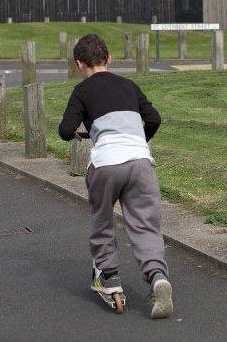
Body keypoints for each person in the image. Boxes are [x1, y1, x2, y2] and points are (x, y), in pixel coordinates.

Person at [58, 33, 173, 319]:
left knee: (102, 220)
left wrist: (82, 131)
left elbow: (64, 129)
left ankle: (109, 277)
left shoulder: (81, 91)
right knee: (145, 225)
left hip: (107, 163)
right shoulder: (129, 86)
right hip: (140, 161)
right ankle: (157, 276)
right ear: (109, 59)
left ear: (78, 64)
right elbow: (154, 118)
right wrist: (139, 141)